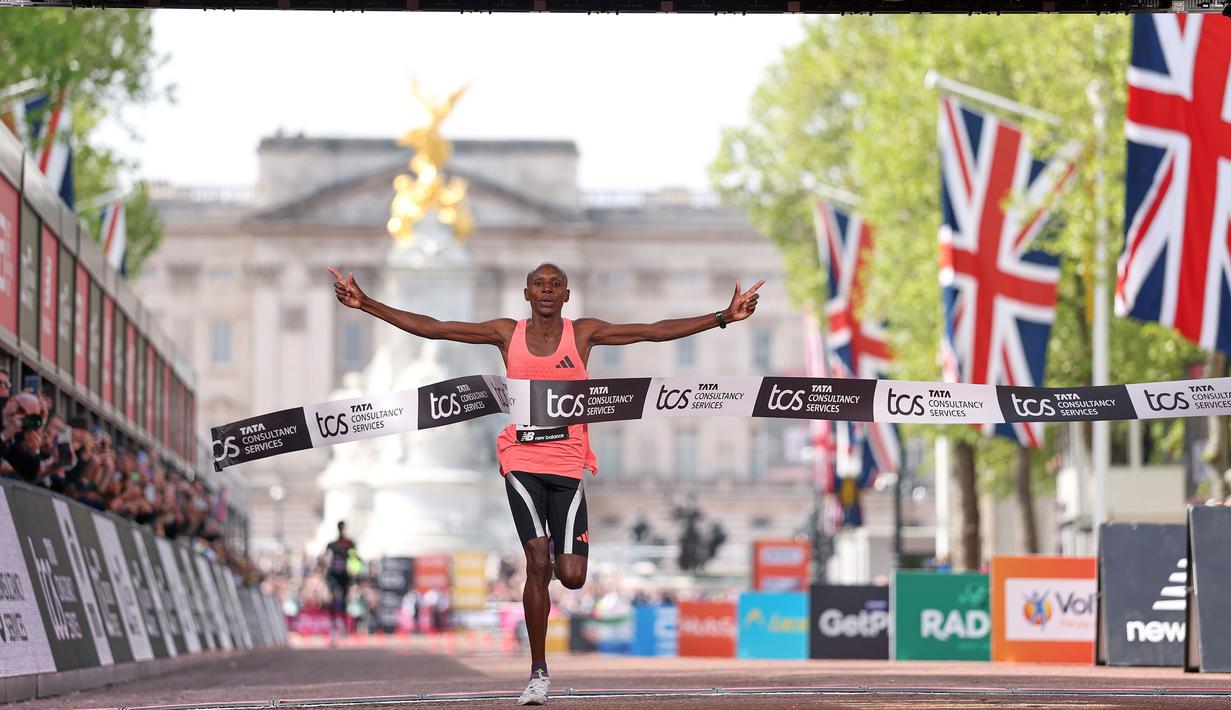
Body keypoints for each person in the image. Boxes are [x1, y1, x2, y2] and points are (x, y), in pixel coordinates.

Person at [329, 262, 762, 705]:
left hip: (569, 463)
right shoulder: (505, 333)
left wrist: (722, 317)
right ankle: (538, 672)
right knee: (537, 561)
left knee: (571, 577)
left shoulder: (585, 333)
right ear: (526, 293)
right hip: (520, 459)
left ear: (567, 295)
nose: (548, 291)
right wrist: (367, 305)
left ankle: (556, 565)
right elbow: (436, 329)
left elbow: (651, 331)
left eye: (556, 285)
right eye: (540, 285)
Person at [324, 520, 357, 647]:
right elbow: (325, 558)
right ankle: (334, 628)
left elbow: (356, 558)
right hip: (333, 575)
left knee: (343, 601)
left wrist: (353, 568)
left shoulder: (349, 544)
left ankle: (342, 628)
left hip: (344, 575)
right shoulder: (331, 545)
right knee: (332, 600)